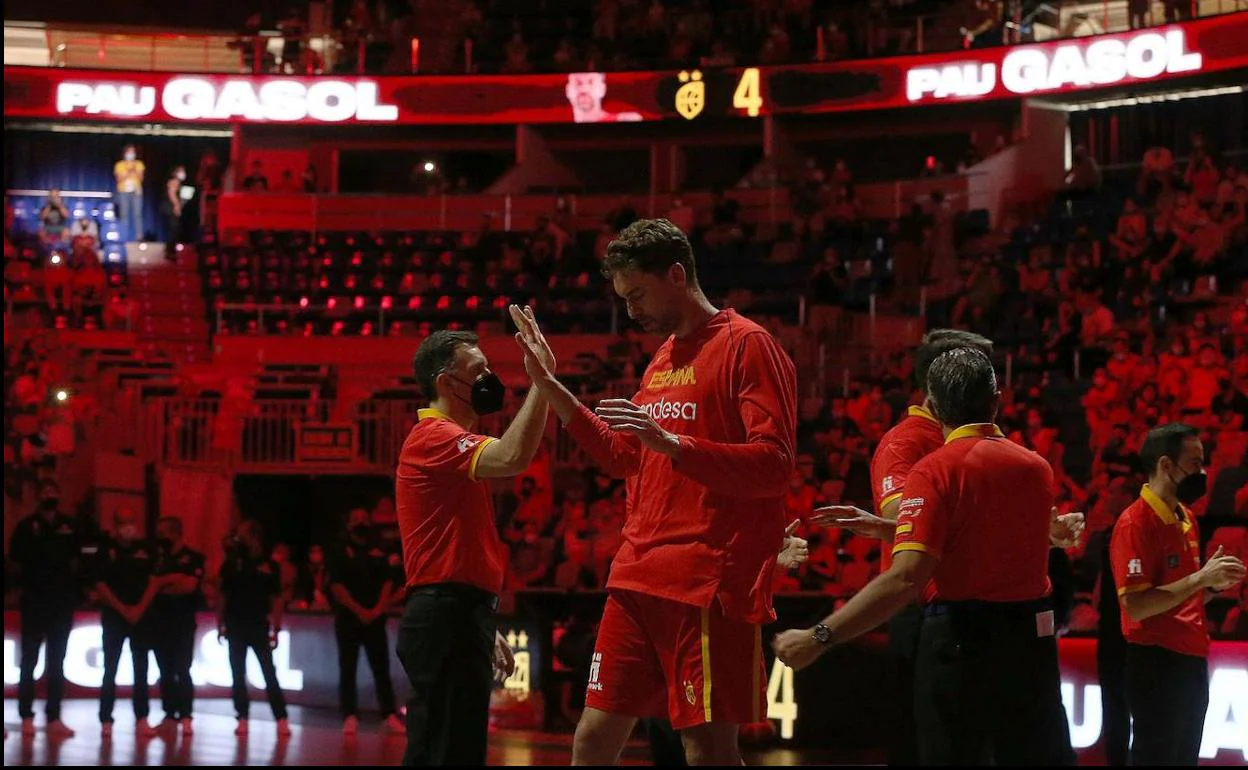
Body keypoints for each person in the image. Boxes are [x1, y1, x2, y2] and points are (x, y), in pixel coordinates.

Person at [513, 218, 798, 765]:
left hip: (708, 580)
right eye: (624, 298)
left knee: (707, 749)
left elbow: (775, 467)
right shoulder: (663, 358)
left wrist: (675, 445)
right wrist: (551, 388)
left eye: (638, 294)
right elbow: (625, 457)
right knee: (592, 739)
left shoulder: (749, 346)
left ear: (676, 274)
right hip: (638, 575)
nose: (631, 310)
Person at [774, 347, 1075, 766]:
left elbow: (905, 578)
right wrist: (885, 528)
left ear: (934, 403)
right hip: (1030, 646)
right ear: (997, 400)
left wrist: (819, 636)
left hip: (960, 644)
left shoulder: (934, 471)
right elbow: (975, 536)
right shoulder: (1036, 468)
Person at [817, 328, 993, 766]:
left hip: (972, 605)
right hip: (921, 609)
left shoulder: (979, 438)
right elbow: (905, 521)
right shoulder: (906, 442)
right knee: (925, 745)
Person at [394, 315, 551, 765]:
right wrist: (542, 381)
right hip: (443, 612)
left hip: (460, 611)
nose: (489, 379)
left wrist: (480, 619)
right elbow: (514, 455)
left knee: (457, 750)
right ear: (447, 381)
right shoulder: (432, 438)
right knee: (441, 752)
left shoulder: (458, 443)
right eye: (478, 370)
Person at [1110, 423, 1247, 766]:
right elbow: (1137, 605)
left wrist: (1212, 585)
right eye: (1195, 463)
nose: (1202, 472)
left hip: (1192, 660)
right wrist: (1199, 578)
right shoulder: (1135, 523)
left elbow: (1184, 598)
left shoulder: (1187, 518)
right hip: (1156, 662)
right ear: (1166, 466)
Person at [10, 479, 80, 738]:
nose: (50, 494)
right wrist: (19, 592)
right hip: (34, 603)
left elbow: (77, 561)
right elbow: (15, 564)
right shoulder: (26, 527)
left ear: (60, 495)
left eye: (54, 490)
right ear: (38, 496)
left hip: (61, 604)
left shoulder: (70, 526)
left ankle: (54, 717)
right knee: (29, 661)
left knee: (57, 662)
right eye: (45, 491)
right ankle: (26, 716)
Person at [329, 508, 403, 736]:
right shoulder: (339, 550)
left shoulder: (379, 549)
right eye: (356, 518)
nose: (361, 521)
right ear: (349, 523)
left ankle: (389, 714)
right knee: (347, 668)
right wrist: (358, 610)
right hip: (348, 619)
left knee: (381, 668)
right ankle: (349, 716)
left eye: (365, 518)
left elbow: (388, 582)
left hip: (376, 619)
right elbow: (336, 585)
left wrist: (378, 609)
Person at [218, 519, 291, 737]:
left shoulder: (270, 565)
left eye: (243, 535)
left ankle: (281, 718)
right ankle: (242, 717)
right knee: (237, 673)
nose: (239, 539)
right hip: (235, 624)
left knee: (269, 672)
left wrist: (276, 628)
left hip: (259, 625)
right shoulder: (232, 562)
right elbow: (223, 593)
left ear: (254, 537)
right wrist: (219, 622)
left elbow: (277, 598)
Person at [95, 507, 158, 738]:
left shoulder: (146, 550)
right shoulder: (106, 551)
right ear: (115, 525)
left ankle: (142, 718)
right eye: (123, 522)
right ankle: (105, 719)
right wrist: (122, 609)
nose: (128, 527)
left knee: (141, 668)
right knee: (110, 668)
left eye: (131, 521)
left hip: (141, 617)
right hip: (114, 616)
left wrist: (139, 609)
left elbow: (154, 581)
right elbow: (100, 585)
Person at [150, 516, 205, 736]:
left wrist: (163, 586)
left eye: (163, 533)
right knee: (164, 669)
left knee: (182, 668)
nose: (160, 538)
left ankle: (186, 715)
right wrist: (170, 582)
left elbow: (189, 586)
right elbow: (150, 585)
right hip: (159, 620)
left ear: (174, 533)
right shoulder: (156, 559)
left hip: (182, 621)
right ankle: (169, 714)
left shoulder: (193, 558)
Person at [565, 72, 642, 123]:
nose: (584, 89)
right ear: (567, 90)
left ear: (602, 89)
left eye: (591, 82)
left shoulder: (625, 121)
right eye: (577, 82)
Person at [114, 144, 145, 242]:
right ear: (125, 153)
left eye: (133, 152)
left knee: (137, 214)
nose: (131, 154)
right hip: (123, 191)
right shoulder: (119, 165)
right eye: (129, 152)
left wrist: (134, 171)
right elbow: (118, 178)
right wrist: (128, 172)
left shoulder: (139, 164)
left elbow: (141, 178)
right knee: (124, 215)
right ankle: (123, 236)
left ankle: (139, 236)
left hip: (136, 192)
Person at [162, 166, 187, 259]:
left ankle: (170, 249)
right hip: (170, 208)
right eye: (181, 172)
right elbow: (172, 194)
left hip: (172, 207)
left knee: (174, 229)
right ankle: (170, 251)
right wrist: (176, 206)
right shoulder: (174, 182)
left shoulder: (179, 183)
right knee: (174, 229)